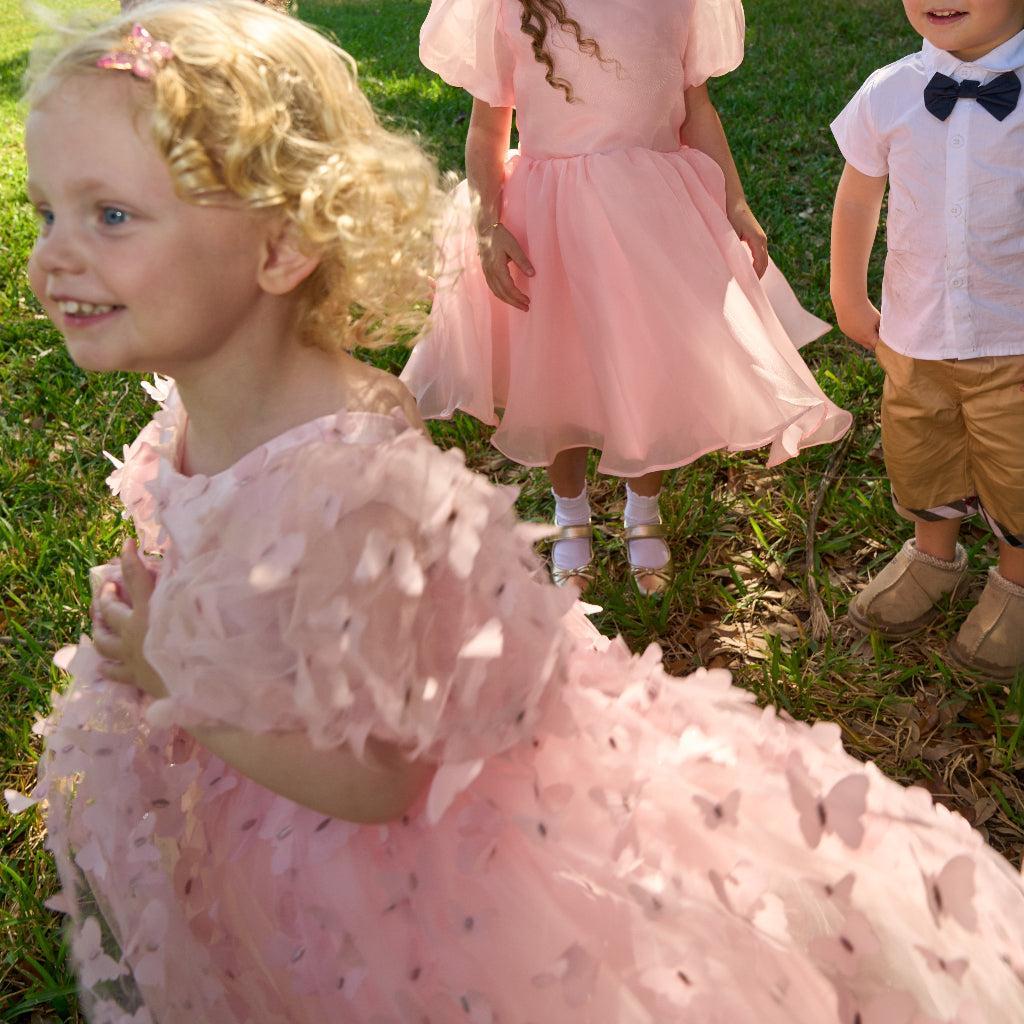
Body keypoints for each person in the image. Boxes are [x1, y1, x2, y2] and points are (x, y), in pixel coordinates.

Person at [11, 3, 1024, 1021]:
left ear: (278, 249)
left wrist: (175, 668)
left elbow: (383, 779)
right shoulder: (187, 418)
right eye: (47, 211)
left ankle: (632, 509)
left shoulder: (347, 464)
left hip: (372, 861)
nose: (52, 257)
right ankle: (585, 508)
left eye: (110, 216)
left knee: (623, 379)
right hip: (251, 804)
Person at [400, 0, 852, 595]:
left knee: (647, 370)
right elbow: (488, 125)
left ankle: (643, 512)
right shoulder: (510, 6)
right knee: (561, 372)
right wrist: (489, 222)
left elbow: (697, 109)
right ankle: (570, 516)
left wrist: (736, 203)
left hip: (649, 218)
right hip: (550, 221)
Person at [831, 0, 1024, 680]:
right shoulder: (890, 90)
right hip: (916, 333)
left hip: (1014, 338)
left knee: (1016, 464)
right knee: (920, 447)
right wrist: (849, 295)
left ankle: (1016, 583)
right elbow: (859, 197)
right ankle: (932, 555)